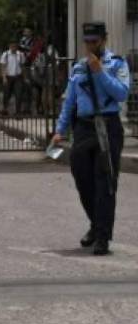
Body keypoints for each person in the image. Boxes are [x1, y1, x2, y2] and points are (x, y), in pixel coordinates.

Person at [52, 22, 130, 255]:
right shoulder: (78, 67)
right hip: (84, 128)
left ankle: (103, 236)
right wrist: (60, 129)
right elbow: (70, 101)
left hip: (108, 127)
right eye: (86, 42)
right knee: (83, 179)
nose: (90, 46)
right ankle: (96, 224)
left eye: (94, 41)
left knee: (105, 183)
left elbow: (122, 93)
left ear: (104, 40)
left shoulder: (117, 63)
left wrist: (100, 72)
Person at [0, 41, 25, 116]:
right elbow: (3, 66)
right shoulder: (6, 54)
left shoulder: (20, 54)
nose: (14, 48)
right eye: (12, 46)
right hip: (8, 76)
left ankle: (18, 111)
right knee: (7, 94)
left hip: (18, 77)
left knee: (19, 94)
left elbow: (22, 66)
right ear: (9, 46)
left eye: (15, 46)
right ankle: (5, 109)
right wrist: (4, 77)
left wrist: (24, 76)